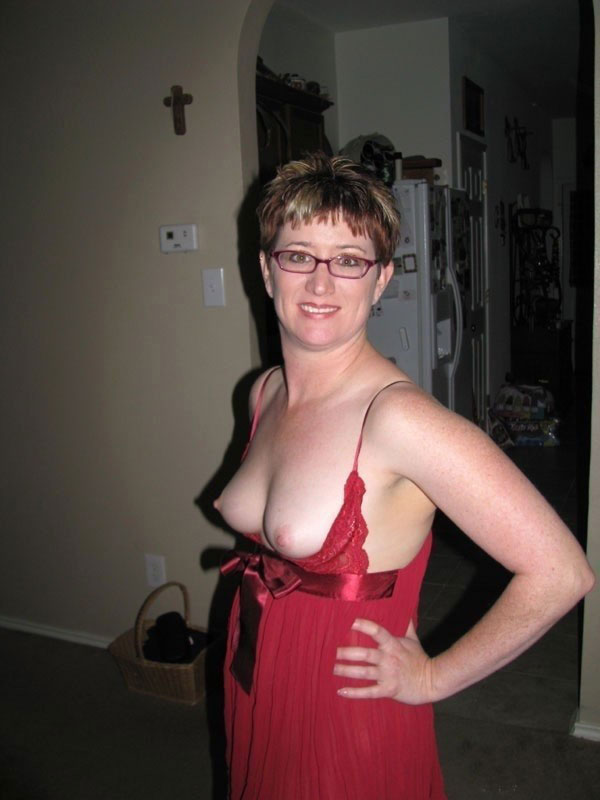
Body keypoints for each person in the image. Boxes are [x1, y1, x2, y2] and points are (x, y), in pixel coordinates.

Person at [215, 153, 595, 800]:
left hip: (346, 702)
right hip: (253, 667)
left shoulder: (399, 420)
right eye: (299, 255)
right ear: (266, 269)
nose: (321, 282)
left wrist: (432, 678)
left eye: (350, 260)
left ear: (382, 279)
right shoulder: (265, 391)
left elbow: (562, 573)